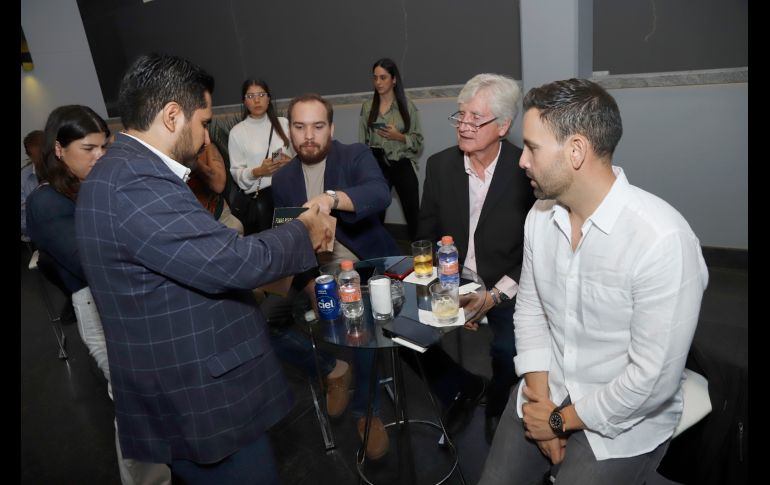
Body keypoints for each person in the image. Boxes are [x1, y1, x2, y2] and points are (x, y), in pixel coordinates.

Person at [75, 53, 334, 484]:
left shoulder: (118, 172)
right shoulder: (137, 183)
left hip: (177, 384)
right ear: (173, 115)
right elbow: (234, 262)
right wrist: (304, 229)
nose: (204, 137)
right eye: (203, 122)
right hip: (198, 398)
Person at [479, 78, 709, 485]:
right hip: (546, 390)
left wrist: (557, 421)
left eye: (532, 147)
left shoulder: (661, 240)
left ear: (576, 150)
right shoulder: (539, 218)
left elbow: (651, 381)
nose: (521, 161)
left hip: (623, 421)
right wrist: (540, 400)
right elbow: (531, 312)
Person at [26, 105, 171, 485]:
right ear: (59, 150)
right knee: (133, 403)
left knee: (146, 401)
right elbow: (91, 261)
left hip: (125, 299)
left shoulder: (87, 187)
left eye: (104, 147)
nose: (100, 157)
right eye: (88, 149)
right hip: (97, 304)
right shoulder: (45, 201)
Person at [271, 93, 401, 460]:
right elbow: (288, 236)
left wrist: (332, 198)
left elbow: (378, 193)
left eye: (317, 126)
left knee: (359, 319)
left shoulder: (354, 154)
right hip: (313, 271)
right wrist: (311, 282)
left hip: (363, 266)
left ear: (331, 127)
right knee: (263, 323)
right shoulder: (282, 179)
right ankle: (333, 369)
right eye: (299, 127)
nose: (308, 135)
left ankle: (367, 412)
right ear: (289, 131)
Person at [408, 73, 535, 444]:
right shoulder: (440, 165)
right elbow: (424, 236)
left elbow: (536, 252)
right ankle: (459, 387)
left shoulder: (525, 169)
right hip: (451, 278)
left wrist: (492, 297)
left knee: (509, 348)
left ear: (503, 126)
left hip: (507, 285)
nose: (463, 126)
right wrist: (446, 289)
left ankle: (496, 405)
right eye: (460, 116)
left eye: (475, 119)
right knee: (401, 333)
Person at [358, 58, 424, 240]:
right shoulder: (367, 107)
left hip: (402, 163)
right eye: (375, 78)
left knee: (413, 216)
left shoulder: (407, 106)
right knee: (375, 216)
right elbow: (361, 143)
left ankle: (421, 259)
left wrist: (400, 136)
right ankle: (378, 260)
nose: (378, 82)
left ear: (394, 80)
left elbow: (418, 142)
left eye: (383, 77)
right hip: (377, 165)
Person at [228, 78, 294, 235]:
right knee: (270, 244)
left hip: (288, 194)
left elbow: (301, 157)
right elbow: (236, 172)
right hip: (262, 200)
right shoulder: (238, 132)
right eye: (250, 96)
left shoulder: (283, 123)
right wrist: (258, 171)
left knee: (292, 239)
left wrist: (290, 162)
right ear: (244, 101)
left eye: (261, 94)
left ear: (269, 98)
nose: (257, 100)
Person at [187, 142, 244, 235]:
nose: (207, 136)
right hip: (189, 222)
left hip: (218, 214)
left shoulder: (207, 147)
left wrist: (194, 160)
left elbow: (218, 185)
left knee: (236, 227)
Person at [21, 129, 44, 241]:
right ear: (29, 155)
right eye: (37, 156)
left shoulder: (65, 168)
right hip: (36, 238)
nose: (42, 160)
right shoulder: (24, 177)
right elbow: (22, 216)